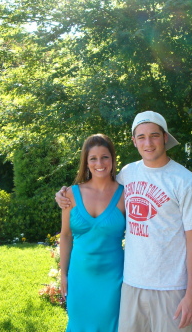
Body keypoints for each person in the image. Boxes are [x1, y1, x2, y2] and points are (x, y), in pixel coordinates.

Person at [56, 111, 192, 332]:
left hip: (170, 287)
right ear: (134, 141)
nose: (148, 143)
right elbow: (99, 185)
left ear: (165, 138)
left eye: (154, 136)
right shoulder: (128, 174)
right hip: (130, 285)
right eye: (142, 137)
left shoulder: (187, 183)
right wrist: (62, 194)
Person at [59, 134, 125, 332]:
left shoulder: (125, 195)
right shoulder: (70, 194)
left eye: (105, 157)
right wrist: (64, 274)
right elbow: (65, 235)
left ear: (113, 159)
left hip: (113, 279)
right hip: (80, 277)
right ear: (86, 163)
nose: (100, 163)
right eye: (93, 158)